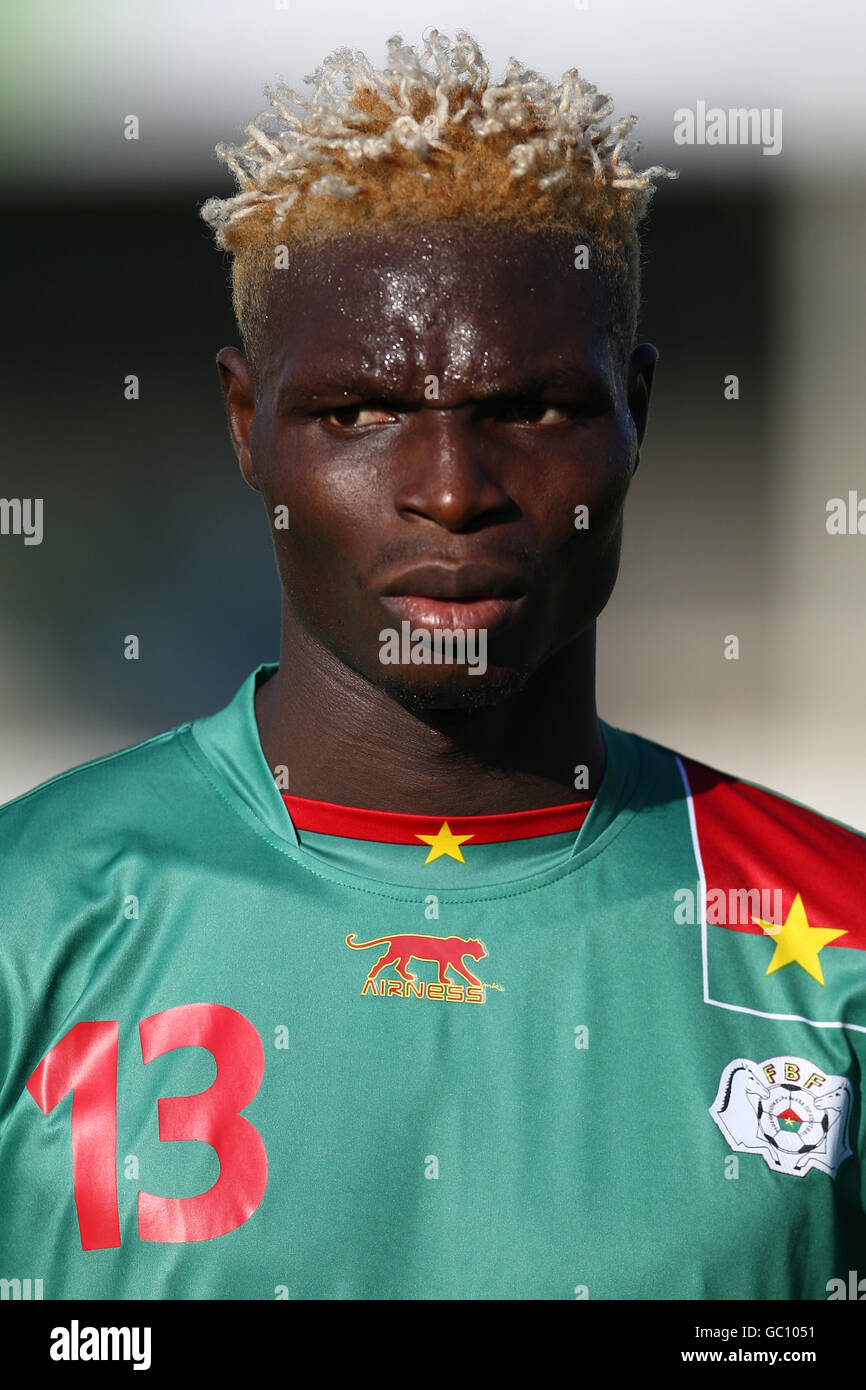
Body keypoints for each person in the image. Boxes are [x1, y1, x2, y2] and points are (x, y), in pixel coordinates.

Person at [1, 29, 863, 1302]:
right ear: (248, 427)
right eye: (359, 413)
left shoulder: (837, 946)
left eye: (530, 409)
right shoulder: (31, 920)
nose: (452, 490)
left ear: (638, 410)